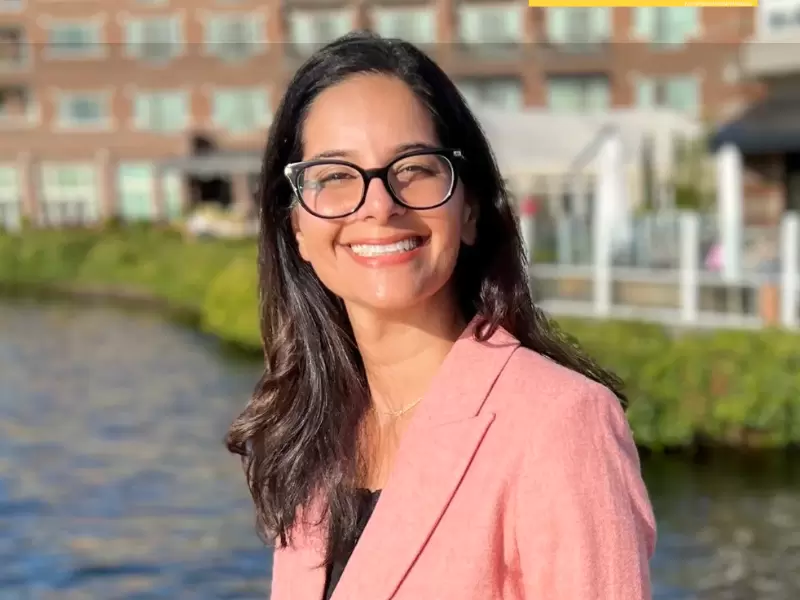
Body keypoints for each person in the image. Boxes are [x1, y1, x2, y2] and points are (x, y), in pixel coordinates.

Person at [226, 31, 656, 600]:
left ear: (469, 208)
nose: (380, 205)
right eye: (334, 176)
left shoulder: (560, 425)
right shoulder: (314, 432)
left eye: (414, 168)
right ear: (297, 227)